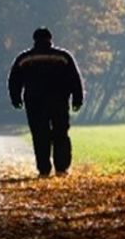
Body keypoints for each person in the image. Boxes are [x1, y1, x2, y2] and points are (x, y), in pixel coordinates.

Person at [8, 27, 83, 177]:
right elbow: (74, 79)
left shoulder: (25, 58)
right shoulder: (63, 57)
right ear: (50, 39)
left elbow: (14, 80)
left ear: (34, 39)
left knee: (39, 135)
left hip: (34, 102)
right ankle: (61, 168)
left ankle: (44, 169)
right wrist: (77, 99)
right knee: (60, 133)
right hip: (59, 100)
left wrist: (15, 98)